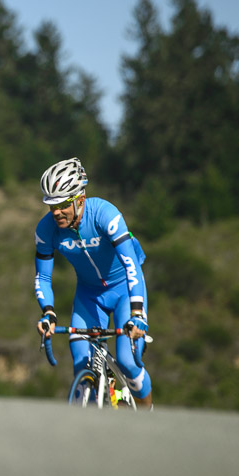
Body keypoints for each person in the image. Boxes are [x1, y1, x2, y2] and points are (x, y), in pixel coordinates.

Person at [34, 157, 154, 408]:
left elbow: (131, 264)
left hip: (124, 290)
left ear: (80, 199)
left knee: (127, 360)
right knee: (81, 364)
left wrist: (137, 312)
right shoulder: (46, 230)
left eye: (63, 204)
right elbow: (43, 277)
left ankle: (148, 415)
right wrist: (48, 312)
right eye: (51, 205)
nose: (56, 212)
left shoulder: (104, 214)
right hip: (89, 295)